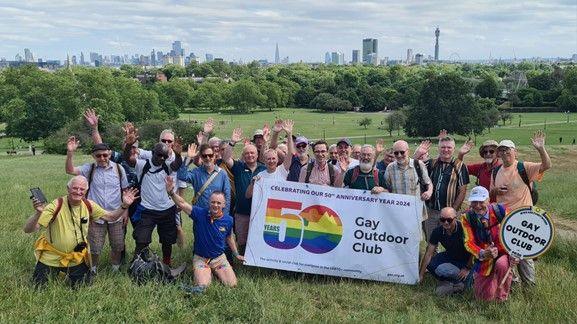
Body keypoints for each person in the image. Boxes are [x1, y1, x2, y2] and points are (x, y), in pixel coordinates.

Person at [24, 176, 138, 287]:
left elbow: (111, 217)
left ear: (86, 191)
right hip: (51, 257)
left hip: (75, 258)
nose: (78, 192)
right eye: (75, 188)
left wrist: (124, 205)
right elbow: (29, 229)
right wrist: (38, 213)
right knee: (37, 288)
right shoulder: (56, 205)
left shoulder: (89, 205)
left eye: (82, 189)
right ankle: (57, 273)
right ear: (68, 189)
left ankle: (65, 274)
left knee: (83, 287)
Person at [490, 130, 551, 285]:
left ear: (514, 151)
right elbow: (491, 192)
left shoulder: (524, 167)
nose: (504, 153)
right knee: (505, 254)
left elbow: (546, 165)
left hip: (523, 221)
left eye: (507, 149)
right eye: (501, 150)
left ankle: (529, 287)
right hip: (503, 220)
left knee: (524, 255)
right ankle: (513, 283)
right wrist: (496, 191)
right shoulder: (496, 170)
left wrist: (541, 149)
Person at [166, 177, 244, 289]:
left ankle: (215, 272)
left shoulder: (229, 220)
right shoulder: (199, 213)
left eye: (218, 203)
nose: (215, 205)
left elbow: (229, 238)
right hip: (201, 258)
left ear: (224, 204)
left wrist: (236, 254)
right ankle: (205, 274)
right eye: (213, 202)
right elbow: (182, 203)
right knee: (203, 287)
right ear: (209, 202)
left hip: (219, 259)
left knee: (232, 285)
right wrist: (171, 193)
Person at [65, 138, 129, 273]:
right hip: (96, 216)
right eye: (98, 155)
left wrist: (125, 212)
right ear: (93, 156)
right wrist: (70, 153)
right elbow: (70, 170)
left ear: (110, 154)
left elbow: (125, 191)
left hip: (117, 214)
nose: (102, 158)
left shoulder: (119, 169)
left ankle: (115, 269)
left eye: (105, 155)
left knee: (117, 245)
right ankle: (92, 270)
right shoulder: (90, 169)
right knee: (95, 247)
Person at [124, 137, 183, 266]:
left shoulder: (167, 166)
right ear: (153, 152)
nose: (162, 158)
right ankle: (136, 264)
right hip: (147, 210)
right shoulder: (142, 165)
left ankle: (167, 264)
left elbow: (177, 165)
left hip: (167, 209)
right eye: (159, 155)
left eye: (164, 156)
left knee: (167, 240)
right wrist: (128, 145)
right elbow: (128, 160)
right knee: (141, 239)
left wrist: (178, 154)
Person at [461, 186, 518, 301]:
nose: (477, 206)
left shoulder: (501, 211)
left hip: (504, 252)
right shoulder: (466, 217)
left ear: (488, 200)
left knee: (502, 265)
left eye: (481, 201)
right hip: (484, 258)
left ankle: (502, 298)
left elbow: (514, 234)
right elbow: (468, 242)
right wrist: (482, 253)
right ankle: (494, 283)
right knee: (483, 298)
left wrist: (514, 253)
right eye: (474, 202)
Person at [415, 135, 470, 241]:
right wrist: (418, 154)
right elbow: (412, 166)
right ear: (438, 148)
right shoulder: (431, 163)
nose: (446, 150)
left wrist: (453, 211)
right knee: (431, 241)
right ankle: (433, 257)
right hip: (431, 211)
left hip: (449, 214)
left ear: (454, 149)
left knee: (451, 241)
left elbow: (462, 192)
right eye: (443, 147)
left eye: (449, 147)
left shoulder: (460, 166)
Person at [221, 128, 266, 253]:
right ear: (243, 156)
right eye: (247, 153)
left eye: (252, 153)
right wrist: (232, 143)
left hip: (259, 212)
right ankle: (242, 261)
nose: (250, 155)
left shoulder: (264, 169)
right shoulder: (239, 167)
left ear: (257, 155)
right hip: (242, 212)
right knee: (242, 241)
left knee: (259, 239)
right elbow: (226, 158)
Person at [419, 207, 471, 296]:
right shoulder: (437, 231)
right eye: (442, 219)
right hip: (451, 256)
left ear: (456, 218)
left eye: (449, 220)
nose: (446, 222)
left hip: (466, 260)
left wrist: (467, 268)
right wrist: (421, 275)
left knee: (442, 270)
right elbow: (428, 253)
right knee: (431, 264)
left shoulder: (464, 229)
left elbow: (473, 252)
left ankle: (463, 279)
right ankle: (456, 281)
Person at [177, 143, 231, 216]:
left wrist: (224, 216)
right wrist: (188, 158)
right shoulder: (196, 172)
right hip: (200, 214)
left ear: (214, 156)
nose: (208, 158)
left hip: (217, 215)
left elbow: (227, 197)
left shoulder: (222, 174)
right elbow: (182, 176)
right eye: (204, 156)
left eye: (210, 155)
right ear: (201, 157)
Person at [384, 140, 432, 221]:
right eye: (396, 153)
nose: (399, 155)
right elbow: (387, 188)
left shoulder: (418, 164)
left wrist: (429, 192)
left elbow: (428, 183)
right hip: (397, 213)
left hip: (416, 212)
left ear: (408, 151)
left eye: (402, 152)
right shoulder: (390, 168)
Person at [246, 120, 295, 198]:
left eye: (273, 158)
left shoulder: (282, 170)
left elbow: (290, 154)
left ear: (277, 160)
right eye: (268, 159)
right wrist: (252, 184)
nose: (271, 161)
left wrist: (289, 134)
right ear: (264, 161)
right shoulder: (260, 176)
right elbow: (248, 196)